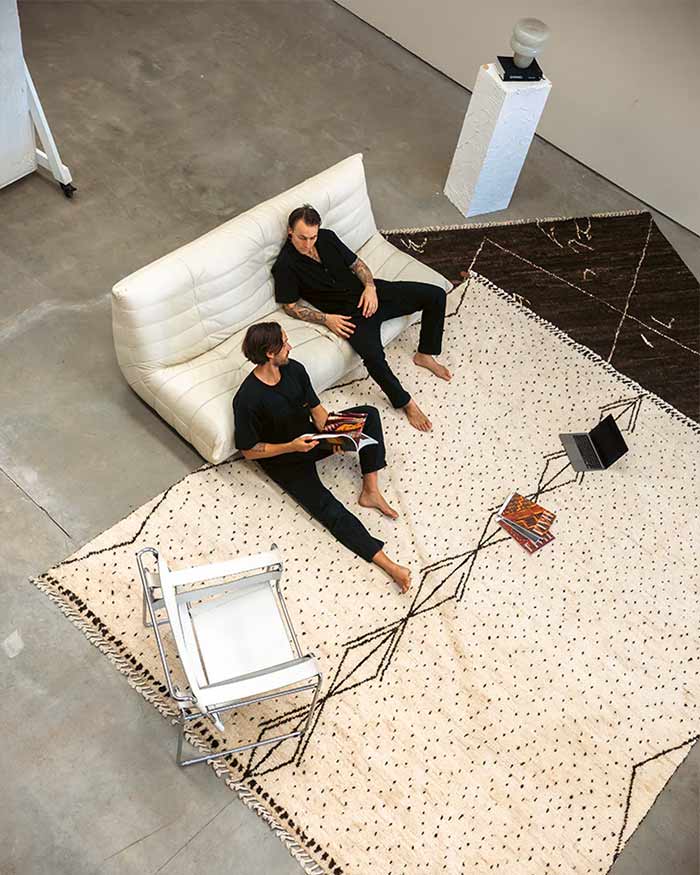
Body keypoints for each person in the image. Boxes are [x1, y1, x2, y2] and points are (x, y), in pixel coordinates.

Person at [233, 321, 411, 593]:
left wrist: (335, 436)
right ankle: (390, 566)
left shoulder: (294, 369)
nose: (290, 346)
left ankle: (370, 491)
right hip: (284, 460)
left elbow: (317, 412)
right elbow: (248, 450)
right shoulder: (247, 399)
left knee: (370, 416)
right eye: (284, 343)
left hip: (311, 436)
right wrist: (291, 446)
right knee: (329, 510)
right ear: (269, 353)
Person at [271, 204, 451, 433]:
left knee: (435, 295)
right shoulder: (285, 265)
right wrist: (326, 319)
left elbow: (357, 264)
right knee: (374, 357)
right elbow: (289, 306)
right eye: (302, 238)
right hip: (349, 316)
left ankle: (425, 354)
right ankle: (406, 403)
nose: (308, 244)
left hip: (370, 294)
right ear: (290, 231)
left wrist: (370, 287)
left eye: (312, 237)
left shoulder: (327, 237)